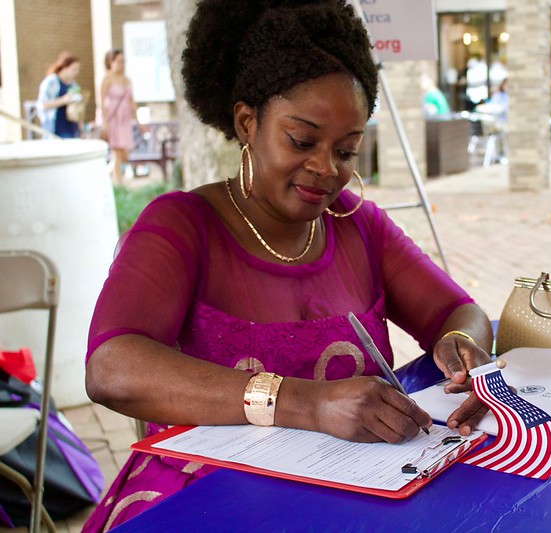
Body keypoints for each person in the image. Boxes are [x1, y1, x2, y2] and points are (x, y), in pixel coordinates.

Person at [82, 1, 493, 530]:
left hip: (356, 494)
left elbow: (462, 312)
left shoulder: (360, 227)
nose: (326, 169)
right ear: (247, 122)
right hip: (208, 495)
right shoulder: (183, 225)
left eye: (346, 151)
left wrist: (459, 346)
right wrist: (305, 403)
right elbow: (112, 367)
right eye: (302, 141)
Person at [100, 49, 138, 185]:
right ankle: (119, 183)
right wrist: (105, 123)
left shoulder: (127, 79)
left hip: (125, 120)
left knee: (125, 153)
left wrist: (138, 121)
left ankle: (107, 176)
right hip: (113, 120)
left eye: (124, 61)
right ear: (111, 62)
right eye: (119, 61)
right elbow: (102, 102)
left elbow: (132, 101)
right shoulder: (107, 79)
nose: (122, 64)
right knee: (117, 151)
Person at [36, 52, 82, 138]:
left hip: (72, 128)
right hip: (55, 129)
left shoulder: (73, 84)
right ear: (64, 67)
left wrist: (81, 129)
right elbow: (42, 105)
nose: (77, 72)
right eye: (74, 69)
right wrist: (64, 100)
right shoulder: (51, 82)